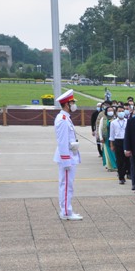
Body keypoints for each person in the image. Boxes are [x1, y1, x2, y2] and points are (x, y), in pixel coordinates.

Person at [53, 90, 82, 220]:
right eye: (72, 102)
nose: (74, 105)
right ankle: (66, 212)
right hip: (67, 157)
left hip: (70, 155)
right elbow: (62, 141)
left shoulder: (66, 118)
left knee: (67, 185)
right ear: (66, 104)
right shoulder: (63, 119)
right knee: (66, 186)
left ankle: (66, 210)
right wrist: (66, 160)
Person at [109, 104, 128, 184]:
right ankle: (121, 176)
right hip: (118, 141)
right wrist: (112, 145)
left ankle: (124, 172)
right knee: (119, 160)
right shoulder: (113, 123)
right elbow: (112, 135)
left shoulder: (127, 121)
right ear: (116, 113)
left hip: (126, 141)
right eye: (119, 111)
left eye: (122, 111)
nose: (121, 113)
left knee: (126, 160)